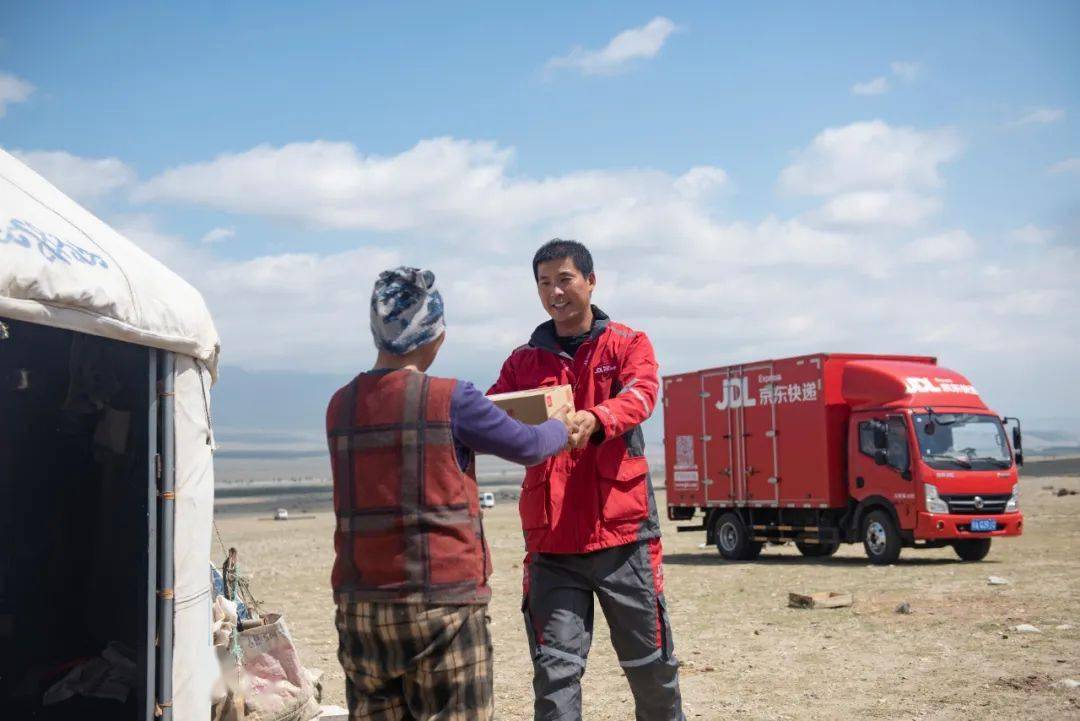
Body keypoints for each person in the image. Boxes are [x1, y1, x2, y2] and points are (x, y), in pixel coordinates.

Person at [327, 266, 571, 721]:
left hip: (360, 604)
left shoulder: (340, 403)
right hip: (441, 604)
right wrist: (563, 426)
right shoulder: (452, 398)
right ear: (432, 335)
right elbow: (530, 446)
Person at [488, 239, 685, 721]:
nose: (554, 291)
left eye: (564, 279)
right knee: (554, 677)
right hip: (553, 547)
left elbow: (642, 393)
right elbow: (492, 415)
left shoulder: (627, 343)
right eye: (543, 283)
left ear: (591, 282)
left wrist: (597, 418)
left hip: (624, 540)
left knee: (651, 669)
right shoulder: (522, 363)